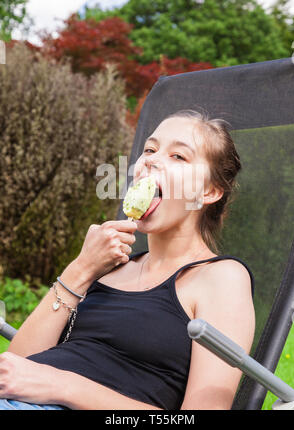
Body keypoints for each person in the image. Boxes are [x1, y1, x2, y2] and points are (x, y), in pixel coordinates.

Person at [0, 110, 255, 410]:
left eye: (178, 157)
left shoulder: (221, 278)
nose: (151, 160)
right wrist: (81, 269)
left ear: (208, 191)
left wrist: (64, 385)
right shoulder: (109, 266)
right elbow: (16, 367)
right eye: (150, 149)